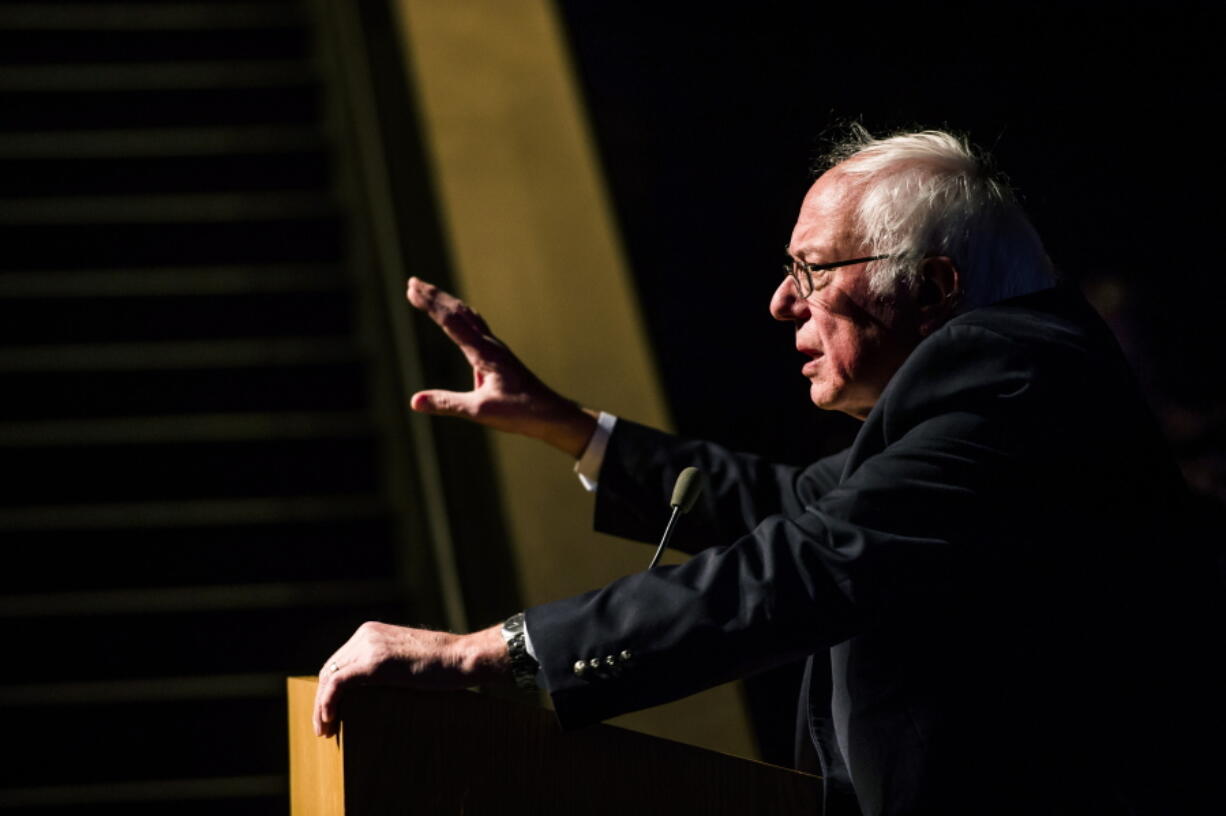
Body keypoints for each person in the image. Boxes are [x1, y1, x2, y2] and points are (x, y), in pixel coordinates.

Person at [312, 129, 1223, 815]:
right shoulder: (1004, 378)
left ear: (937, 287)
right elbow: (796, 509)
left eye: (813, 268)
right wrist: (573, 429)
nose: (782, 298)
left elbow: (807, 563)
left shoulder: (1014, 380)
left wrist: (488, 653)